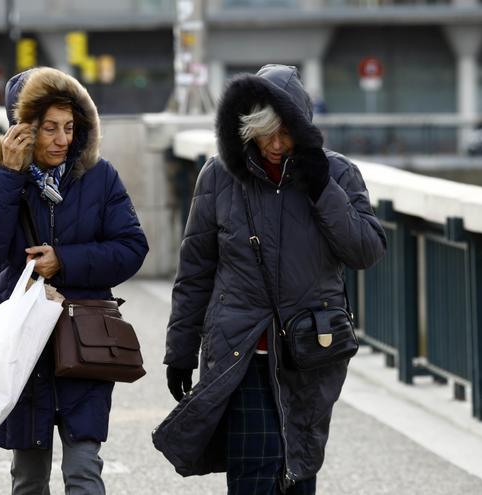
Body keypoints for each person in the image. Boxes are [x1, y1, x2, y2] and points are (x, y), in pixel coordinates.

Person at [153, 65, 387, 494]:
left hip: (310, 352)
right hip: (241, 353)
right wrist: (180, 351)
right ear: (246, 129)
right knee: (254, 473)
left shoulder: (337, 175)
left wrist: (322, 189)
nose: (276, 145)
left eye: (286, 133)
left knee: (298, 468)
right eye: (265, 133)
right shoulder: (219, 176)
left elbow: (366, 250)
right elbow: (196, 272)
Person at [0, 66, 149, 494]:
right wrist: (8, 176)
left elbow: (132, 248)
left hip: (86, 338)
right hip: (24, 346)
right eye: (50, 128)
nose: (63, 139)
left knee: (84, 471)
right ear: (22, 129)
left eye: (69, 127)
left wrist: (64, 260)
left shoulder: (100, 177)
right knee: (28, 478)